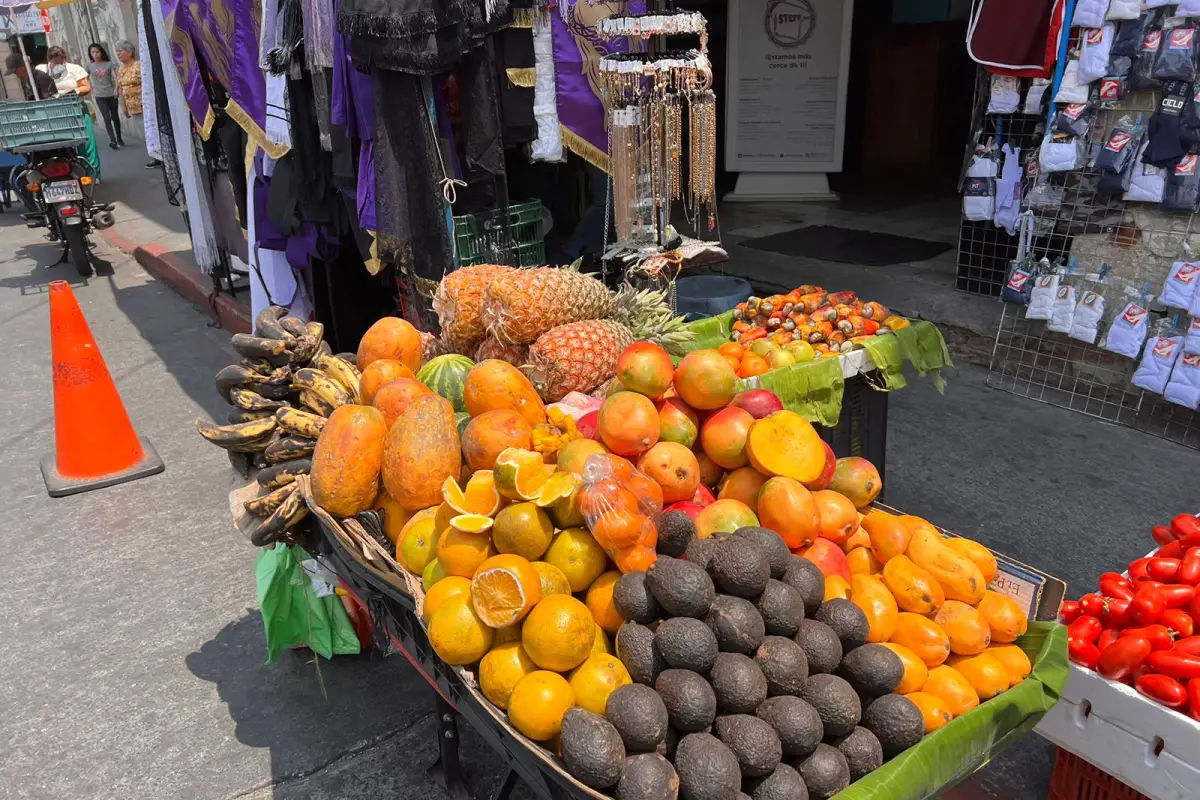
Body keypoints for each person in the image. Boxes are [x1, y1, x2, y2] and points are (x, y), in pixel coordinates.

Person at [114, 40, 158, 169]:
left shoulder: (139, 66)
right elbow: (121, 88)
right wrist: (123, 106)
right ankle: (155, 156)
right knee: (144, 133)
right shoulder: (121, 70)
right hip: (133, 107)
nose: (118, 54)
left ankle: (161, 155)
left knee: (152, 130)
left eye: (120, 51)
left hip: (145, 104)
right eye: (117, 52)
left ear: (130, 52)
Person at [85, 43, 122, 149]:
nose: (95, 54)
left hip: (111, 93)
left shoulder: (109, 64)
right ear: (90, 54)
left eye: (97, 52)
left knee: (115, 117)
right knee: (107, 117)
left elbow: (118, 77)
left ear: (101, 52)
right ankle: (112, 140)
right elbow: (84, 78)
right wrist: (89, 89)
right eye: (93, 52)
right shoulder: (89, 66)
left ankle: (119, 137)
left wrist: (116, 89)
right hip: (99, 95)